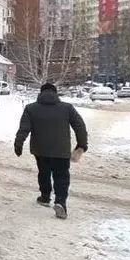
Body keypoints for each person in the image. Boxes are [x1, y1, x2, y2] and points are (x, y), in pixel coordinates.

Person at [14, 82, 89, 220]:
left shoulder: (31, 108)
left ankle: (45, 197)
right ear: (55, 93)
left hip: (40, 149)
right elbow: (79, 125)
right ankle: (60, 202)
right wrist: (82, 144)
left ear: (41, 93)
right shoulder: (67, 108)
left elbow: (24, 128)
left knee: (44, 172)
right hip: (61, 150)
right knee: (61, 176)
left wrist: (18, 143)